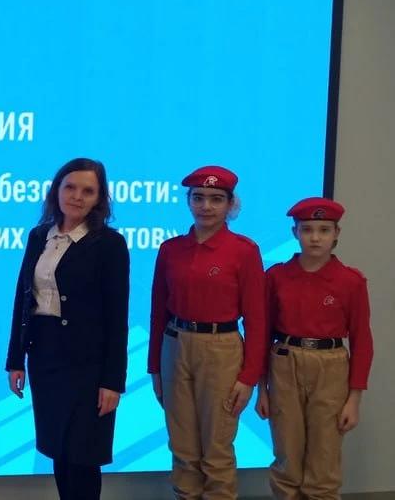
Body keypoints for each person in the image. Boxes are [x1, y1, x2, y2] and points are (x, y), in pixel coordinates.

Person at [5, 157, 130, 500]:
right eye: (70, 187)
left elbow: (117, 316)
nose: (77, 196)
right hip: (45, 359)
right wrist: (15, 360)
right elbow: (22, 299)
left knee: (83, 455)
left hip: (87, 366)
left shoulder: (109, 244)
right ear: (56, 190)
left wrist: (112, 381)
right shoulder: (38, 236)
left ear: (99, 198)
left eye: (87, 191)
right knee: (59, 450)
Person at [147, 165, 266, 499]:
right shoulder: (170, 249)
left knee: (216, 449)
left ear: (230, 204)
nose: (206, 206)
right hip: (174, 346)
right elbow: (158, 312)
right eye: (198, 198)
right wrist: (154, 367)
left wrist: (249, 377)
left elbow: (257, 319)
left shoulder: (244, 251)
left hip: (221, 349)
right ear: (188, 201)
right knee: (182, 447)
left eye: (216, 199)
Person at [255, 197, 372, 500]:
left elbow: (362, 341)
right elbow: (263, 333)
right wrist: (262, 389)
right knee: (287, 456)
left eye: (324, 230)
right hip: (285, 363)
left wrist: (354, 399)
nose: (315, 237)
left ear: (336, 234)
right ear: (295, 233)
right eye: (307, 229)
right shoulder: (276, 277)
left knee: (324, 459)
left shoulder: (351, 281)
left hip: (330, 367)